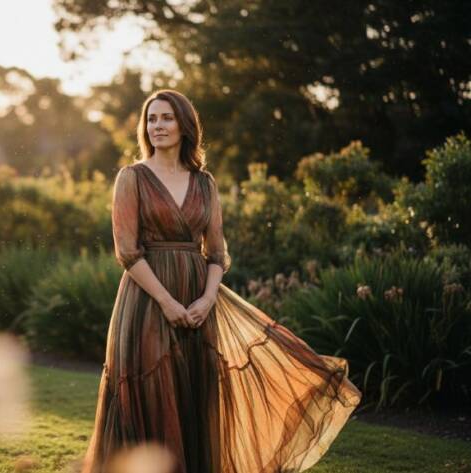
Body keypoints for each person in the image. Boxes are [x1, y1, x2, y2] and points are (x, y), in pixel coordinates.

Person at [80, 90, 361, 473]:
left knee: (196, 397)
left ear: (184, 126)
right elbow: (127, 252)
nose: (157, 126)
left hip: (198, 301)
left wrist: (207, 299)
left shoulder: (204, 183)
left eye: (166, 118)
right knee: (152, 396)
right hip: (147, 302)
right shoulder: (131, 178)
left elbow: (216, 252)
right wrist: (167, 303)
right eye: (151, 119)